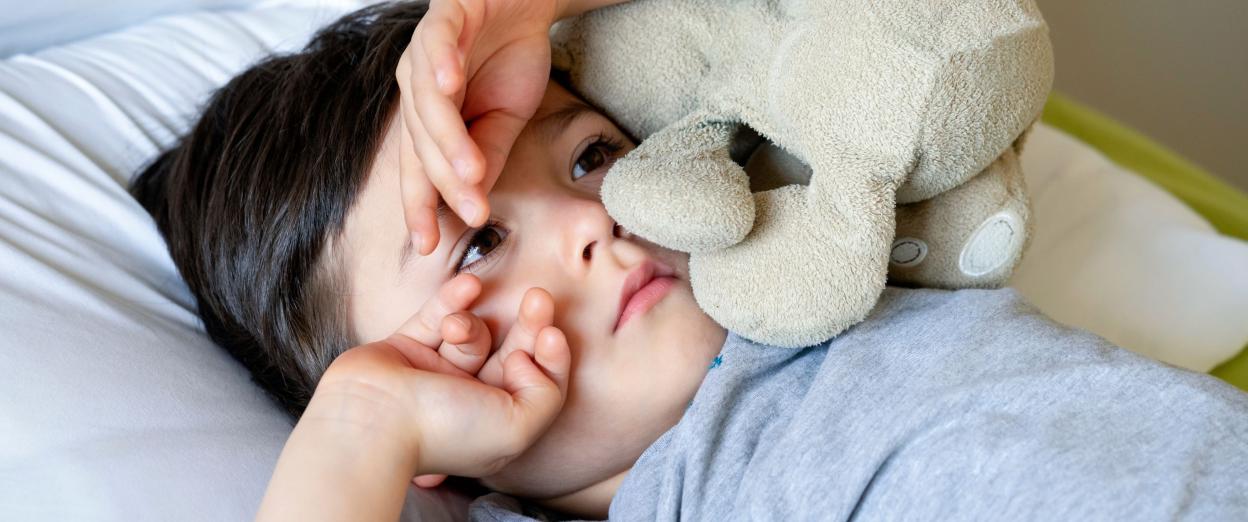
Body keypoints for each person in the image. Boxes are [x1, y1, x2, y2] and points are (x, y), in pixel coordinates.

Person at [129, 1, 1248, 520]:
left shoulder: (824, 254)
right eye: (479, 241)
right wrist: (363, 428)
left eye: (590, 156)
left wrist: (518, 13)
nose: (596, 221)